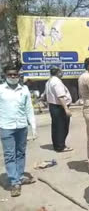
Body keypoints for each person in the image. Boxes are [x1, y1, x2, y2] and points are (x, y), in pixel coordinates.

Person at [0, 65, 37, 197]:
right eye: (10, 75)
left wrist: (33, 126)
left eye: (15, 75)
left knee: (21, 153)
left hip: (21, 126)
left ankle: (20, 176)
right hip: (6, 127)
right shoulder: (1, 90)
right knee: (10, 155)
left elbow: (29, 109)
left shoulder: (24, 89)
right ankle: (14, 182)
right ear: (5, 76)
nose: (13, 77)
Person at [44, 67, 73, 152]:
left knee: (56, 127)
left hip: (53, 106)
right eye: (61, 72)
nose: (62, 73)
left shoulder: (49, 81)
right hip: (59, 107)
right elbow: (60, 96)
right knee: (62, 127)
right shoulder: (57, 82)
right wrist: (66, 109)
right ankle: (61, 146)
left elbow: (45, 94)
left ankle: (57, 145)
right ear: (58, 73)